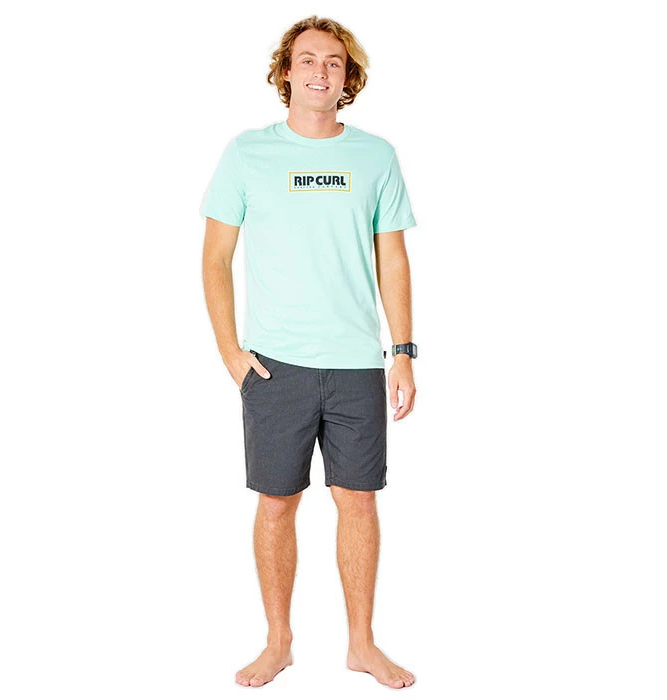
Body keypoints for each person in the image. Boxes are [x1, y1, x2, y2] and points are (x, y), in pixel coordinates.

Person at [200, 15, 418, 690]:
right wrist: (232, 354)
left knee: (359, 502)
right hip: (275, 366)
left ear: (348, 78)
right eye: (307, 60)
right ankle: (279, 641)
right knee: (276, 504)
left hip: (356, 363)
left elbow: (392, 258)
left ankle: (361, 644)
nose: (320, 71)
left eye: (334, 62)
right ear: (285, 72)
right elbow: (215, 258)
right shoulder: (247, 154)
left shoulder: (376, 156)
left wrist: (403, 351)